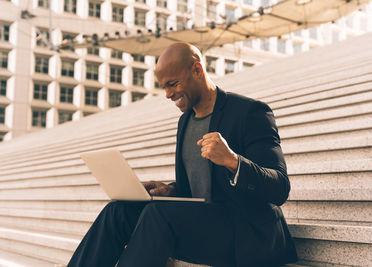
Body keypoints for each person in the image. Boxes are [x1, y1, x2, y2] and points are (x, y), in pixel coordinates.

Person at [68, 42, 297, 267]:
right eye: (164, 87)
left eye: (173, 84)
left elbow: (279, 187)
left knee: (158, 213)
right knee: (118, 211)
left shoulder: (251, 113)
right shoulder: (185, 121)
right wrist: (172, 190)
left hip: (245, 233)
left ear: (197, 70)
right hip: (204, 227)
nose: (168, 94)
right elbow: (199, 188)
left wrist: (233, 161)